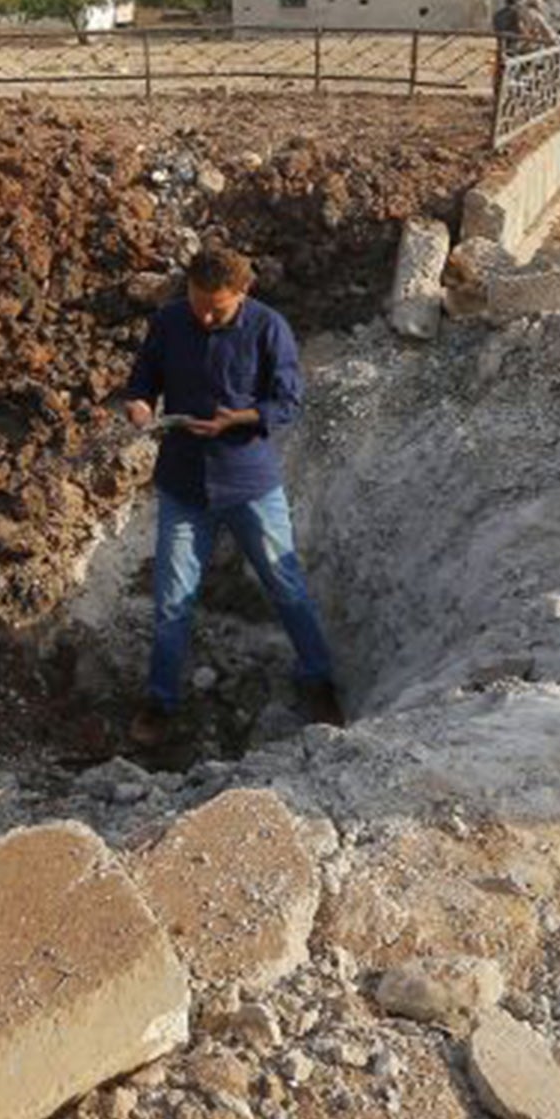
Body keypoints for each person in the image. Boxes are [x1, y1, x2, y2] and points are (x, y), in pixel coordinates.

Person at [120, 247, 343, 752]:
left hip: (249, 484)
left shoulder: (268, 328)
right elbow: (142, 381)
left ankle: (320, 682)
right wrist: (138, 404)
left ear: (242, 294)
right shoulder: (171, 322)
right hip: (183, 484)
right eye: (197, 302)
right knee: (172, 601)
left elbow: (288, 402)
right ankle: (160, 702)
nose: (204, 314)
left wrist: (235, 419)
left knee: (285, 585)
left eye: (216, 308)